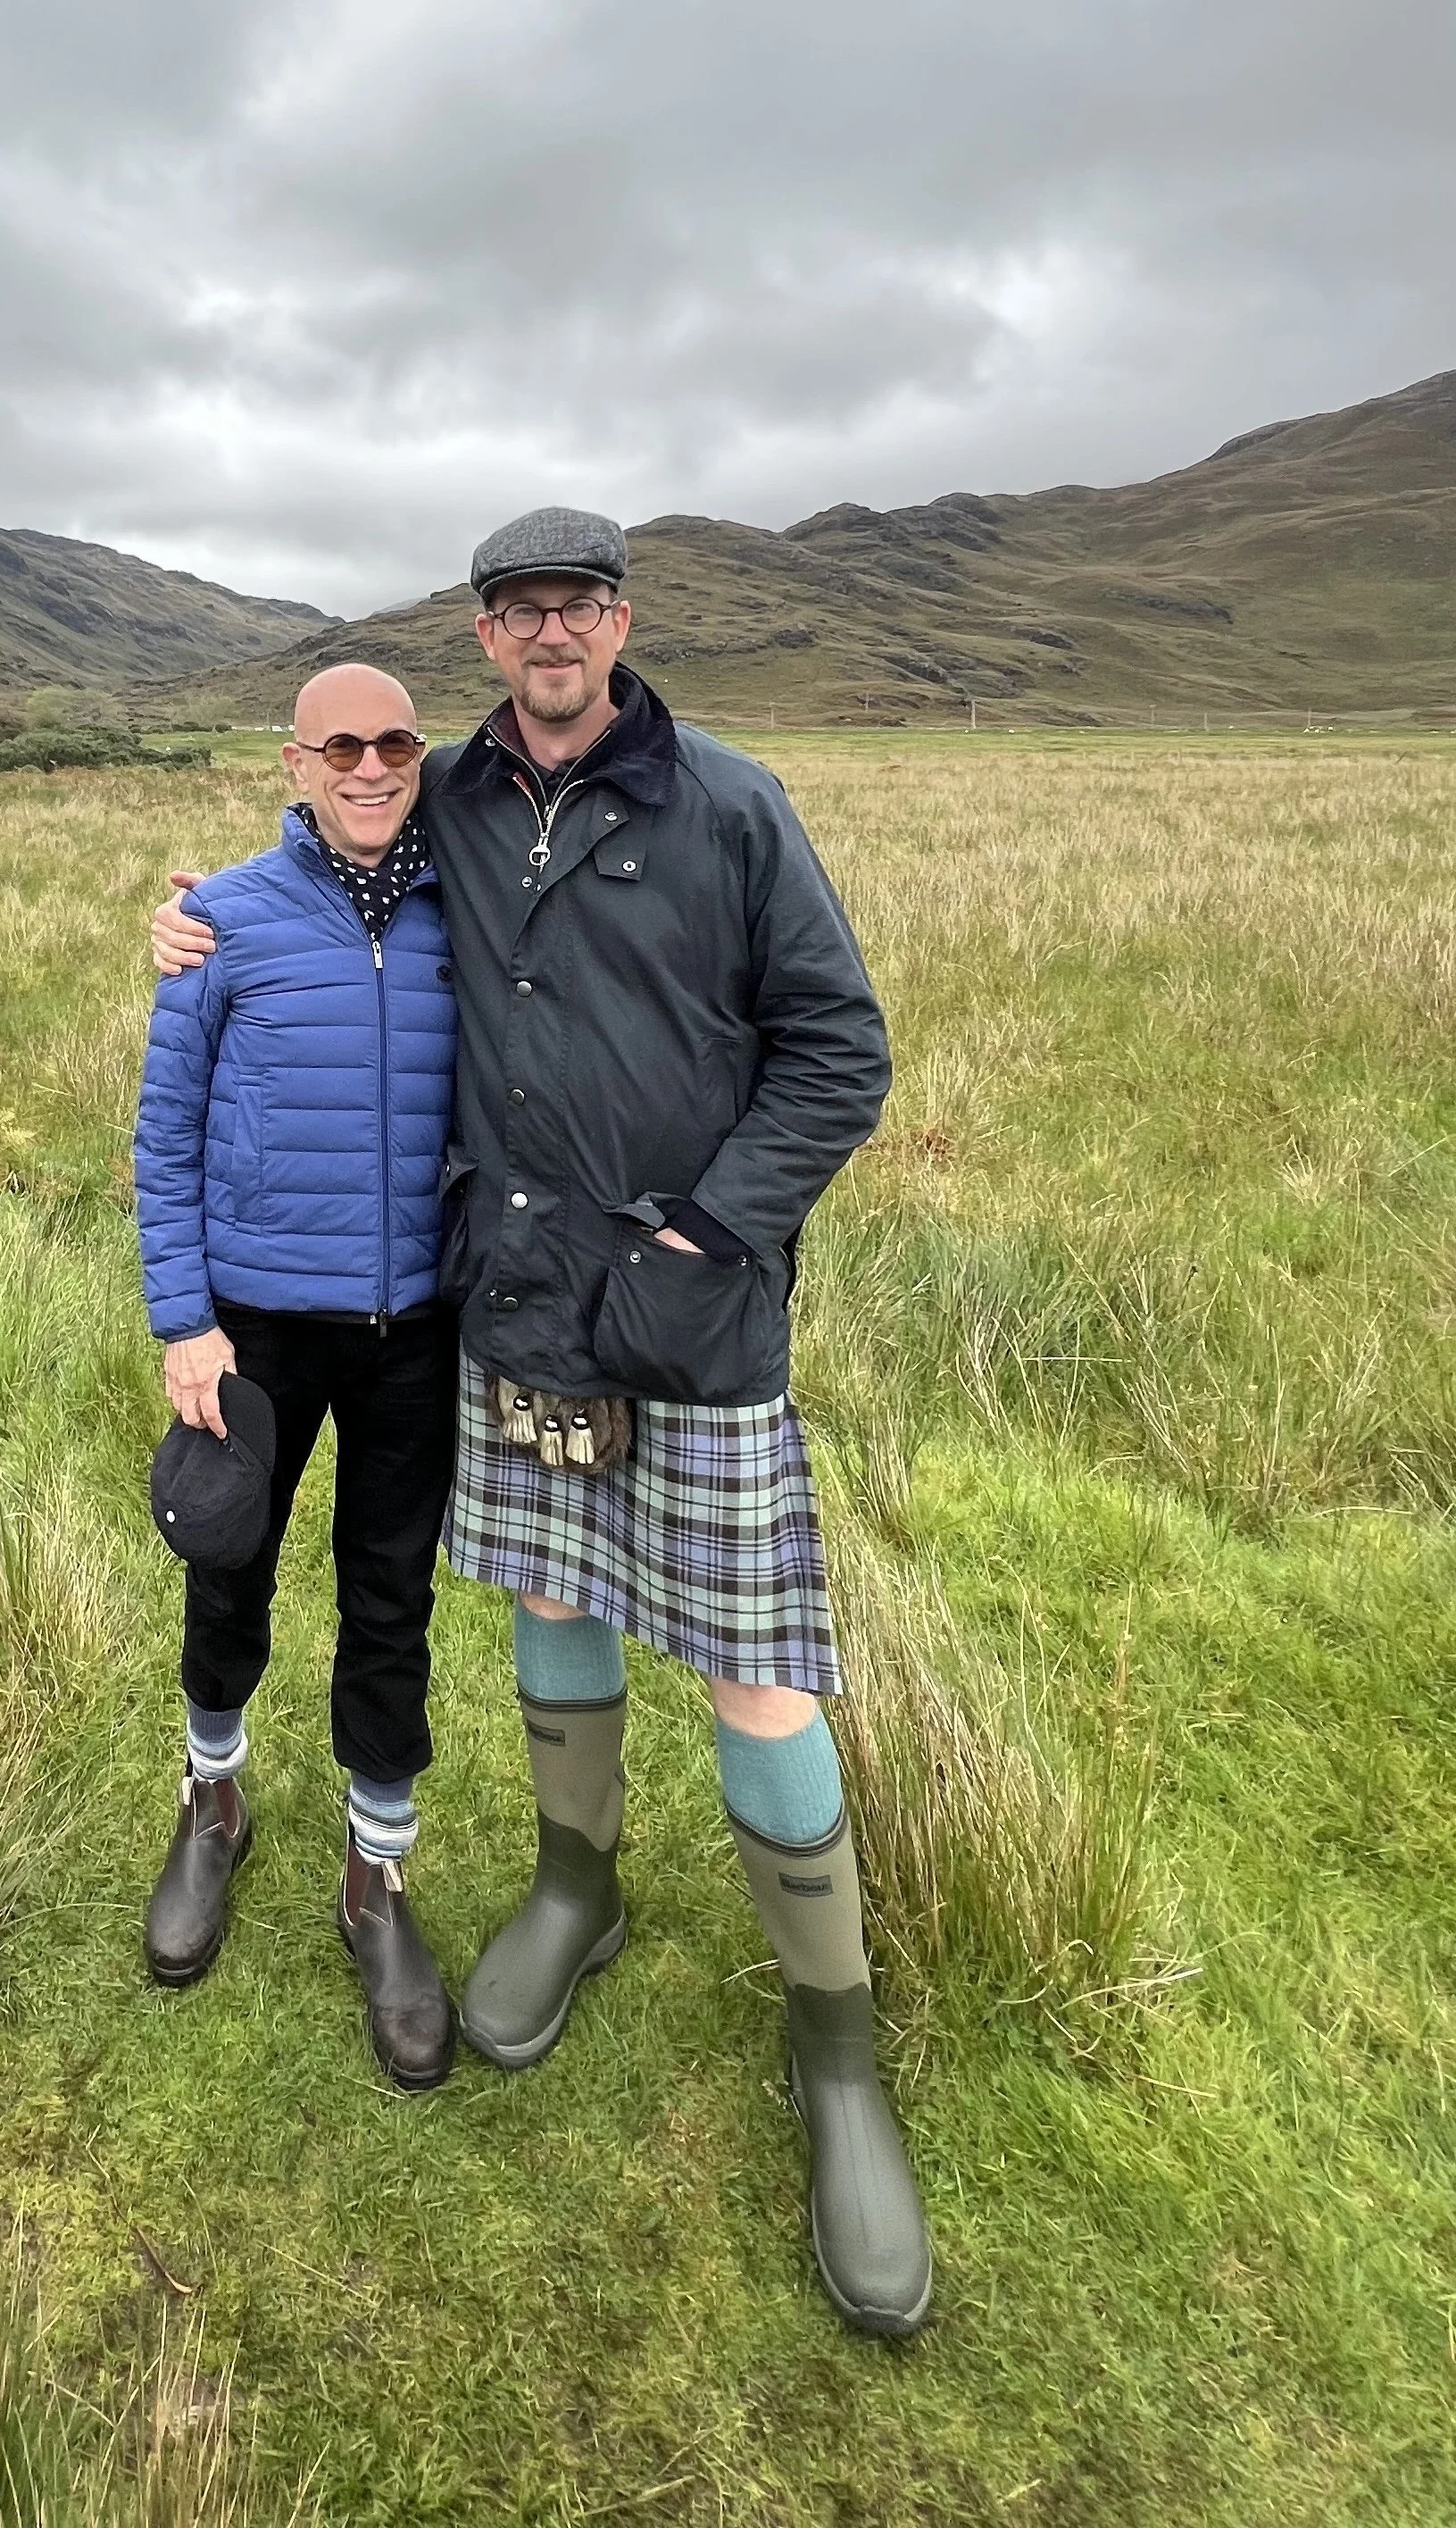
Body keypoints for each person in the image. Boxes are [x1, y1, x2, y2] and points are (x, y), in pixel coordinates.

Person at [153, 513, 933, 2333]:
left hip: (694, 1318)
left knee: (756, 1669)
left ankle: (837, 2056)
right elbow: (314, 854)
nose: (550, 632)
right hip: (513, 1309)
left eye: (577, 602)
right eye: (517, 610)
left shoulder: (729, 806)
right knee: (549, 1613)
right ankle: (574, 1887)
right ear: (486, 636)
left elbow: (839, 1049)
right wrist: (179, 918)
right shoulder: (446, 800)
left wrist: (703, 1232)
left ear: (619, 621)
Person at [133, 661, 460, 2091]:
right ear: (297, 759)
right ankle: (213, 1800)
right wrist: (181, 1316)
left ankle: (375, 1877)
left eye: (393, 741)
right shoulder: (221, 921)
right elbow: (165, 1134)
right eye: (343, 745)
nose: (371, 765)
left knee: (390, 1592)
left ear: (419, 751)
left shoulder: (475, 908)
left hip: (418, 1326)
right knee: (229, 1565)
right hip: (255, 1322)